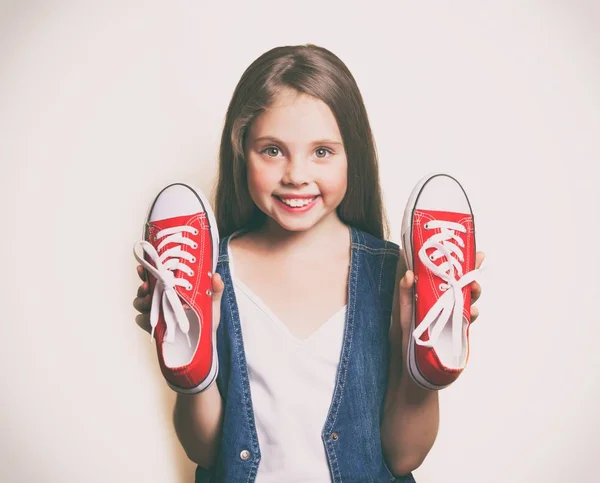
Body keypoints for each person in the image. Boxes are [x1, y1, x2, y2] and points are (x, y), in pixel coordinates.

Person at [133, 43, 484, 482]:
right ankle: (189, 360)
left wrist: (419, 366)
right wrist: (191, 378)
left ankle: (432, 354)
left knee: (424, 353)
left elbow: (404, 456)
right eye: (272, 150)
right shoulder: (211, 275)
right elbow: (207, 451)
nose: (296, 174)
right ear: (242, 151)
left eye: (322, 151)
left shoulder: (392, 276)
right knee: (192, 363)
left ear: (352, 155)